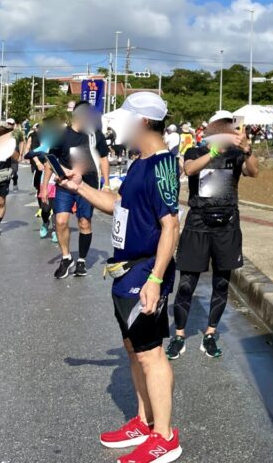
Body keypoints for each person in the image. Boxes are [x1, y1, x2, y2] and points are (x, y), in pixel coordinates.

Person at [56, 93, 183, 463]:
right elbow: (118, 205)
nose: (116, 127)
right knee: (133, 350)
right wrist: (78, 187)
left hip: (145, 269)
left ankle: (164, 436)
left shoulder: (162, 165)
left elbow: (171, 226)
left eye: (124, 120)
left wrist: (156, 279)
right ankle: (144, 422)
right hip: (124, 269)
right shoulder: (141, 161)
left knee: (151, 354)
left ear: (143, 123)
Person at [167, 110, 258, 360]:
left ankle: (210, 334)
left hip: (227, 224)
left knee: (221, 282)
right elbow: (189, 170)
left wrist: (248, 149)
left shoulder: (237, 153)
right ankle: (179, 335)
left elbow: (254, 172)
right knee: (186, 284)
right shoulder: (196, 151)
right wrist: (214, 152)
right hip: (198, 224)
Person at [49, 100, 110, 279]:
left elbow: (104, 158)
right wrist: (63, 171)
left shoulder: (95, 134)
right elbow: (52, 158)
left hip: (88, 185)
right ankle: (66, 257)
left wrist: (106, 184)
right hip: (66, 184)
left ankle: (81, 260)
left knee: (84, 222)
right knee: (60, 221)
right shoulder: (62, 134)